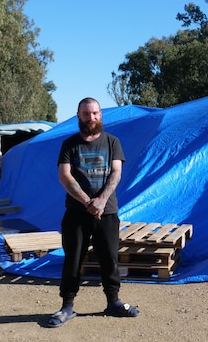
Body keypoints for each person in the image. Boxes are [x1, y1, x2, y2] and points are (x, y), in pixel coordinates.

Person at [45, 97, 139, 327]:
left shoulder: (112, 142)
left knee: (109, 258)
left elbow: (116, 173)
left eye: (95, 113)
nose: (91, 118)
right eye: (86, 114)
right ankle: (67, 306)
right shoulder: (69, 144)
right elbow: (64, 176)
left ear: (100, 115)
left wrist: (102, 200)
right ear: (79, 116)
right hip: (76, 213)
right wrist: (88, 202)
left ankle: (113, 302)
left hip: (106, 213)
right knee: (73, 259)